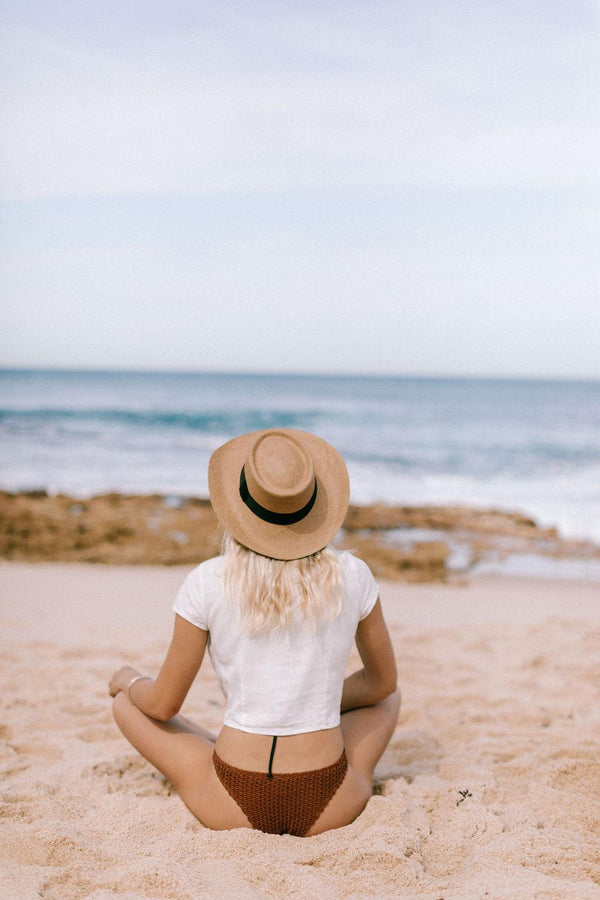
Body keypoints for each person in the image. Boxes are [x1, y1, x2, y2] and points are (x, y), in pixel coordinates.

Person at [109, 428, 400, 836]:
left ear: (238, 505)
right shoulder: (354, 576)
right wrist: (312, 698)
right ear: (314, 506)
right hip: (331, 799)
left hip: (230, 800)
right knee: (390, 697)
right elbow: (382, 684)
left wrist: (129, 679)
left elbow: (162, 705)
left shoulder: (207, 581)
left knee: (125, 704)